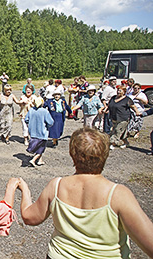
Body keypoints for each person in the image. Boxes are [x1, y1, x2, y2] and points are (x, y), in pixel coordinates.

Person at [18, 127, 153, 258]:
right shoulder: (118, 195)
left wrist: (25, 190)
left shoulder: (56, 186)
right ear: (105, 154)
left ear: (72, 154)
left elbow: (29, 217)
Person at [107, 85, 141, 150]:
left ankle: (111, 143)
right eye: (118, 90)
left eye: (120, 90)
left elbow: (133, 107)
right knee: (122, 132)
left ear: (124, 92)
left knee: (117, 131)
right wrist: (105, 110)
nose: (118, 91)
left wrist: (137, 112)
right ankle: (126, 143)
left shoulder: (127, 99)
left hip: (123, 118)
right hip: (114, 118)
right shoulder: (113, 98)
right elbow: (109, 105)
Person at [25, 97, 54, 166]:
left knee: (38, 147)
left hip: (33, 133)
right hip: (42, 133)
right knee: (41, 148)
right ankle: (33, 160)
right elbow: (50, 122)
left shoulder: (31, 110)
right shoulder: (45, 111)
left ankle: (40, 161)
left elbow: (26, 120)